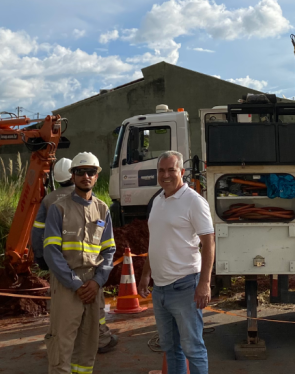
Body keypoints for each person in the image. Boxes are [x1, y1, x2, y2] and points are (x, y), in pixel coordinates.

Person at [138, 151, 215, 374]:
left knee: (193, 348)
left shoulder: (194, 202)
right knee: (171, 349)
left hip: (185, 287)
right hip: (160, 289)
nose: (166, 175)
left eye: (171, 170)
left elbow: (209, 244)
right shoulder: (158, 200)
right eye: (161, 170)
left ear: (181, 171)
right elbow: (156, 240)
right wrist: (145, 275)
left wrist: (204, 283)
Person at [32, 157, 117, 354]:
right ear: (72, 175)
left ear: (96, 176)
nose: (85, 176)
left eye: (90, 172)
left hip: (85, 278)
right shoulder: (59, 206)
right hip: (70, 277)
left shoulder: (100, 208)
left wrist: (40, 259)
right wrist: (89, 282)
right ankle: (102, 339)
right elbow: (51, 246)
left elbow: (37, 233)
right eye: (80, 172)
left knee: (78, 338)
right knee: (69, 337)